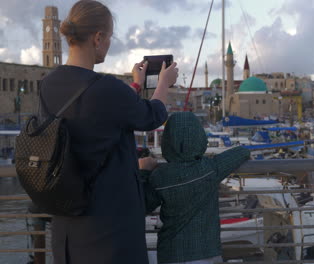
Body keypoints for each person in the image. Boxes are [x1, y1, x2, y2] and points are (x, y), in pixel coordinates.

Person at [40, 1, 178, 263]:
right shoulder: (106, 88)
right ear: (98, 37)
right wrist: (164, 84)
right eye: (110, 36)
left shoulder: (48, 83)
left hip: (66, 226)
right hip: (109, 228)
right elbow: (152, 115)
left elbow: (100, 111)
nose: (109, 43)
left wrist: (135, 86)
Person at [139, 112, 251, 264]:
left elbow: (143, 204)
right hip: (206, 251)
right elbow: (242, 152)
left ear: (167, 142)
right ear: (200, 138)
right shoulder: (210, 169)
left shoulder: (159, 177)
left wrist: (144, 171)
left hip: (171, 253)